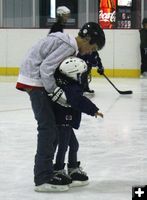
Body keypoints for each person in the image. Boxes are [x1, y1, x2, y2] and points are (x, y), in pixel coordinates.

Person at [16, 22, 105, 192]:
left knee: (51, 128)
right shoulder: (69, 45)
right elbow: (46, 68)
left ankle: (49, 171)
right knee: (48, 128)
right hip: (35, 80)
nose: (90, 52)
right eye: (92, 48)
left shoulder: (67, 43)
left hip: (35, 79)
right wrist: (55, 91)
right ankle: (43, 177)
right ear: (87, 39)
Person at [50, 56, 104, 188]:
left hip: (64, 121)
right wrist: (93, 110)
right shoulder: (71, 88)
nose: (84, 76)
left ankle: (72, 168)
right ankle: (58, 169)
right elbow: (79, 101)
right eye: (81, 74)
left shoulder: (63, 81)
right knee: (63, 147)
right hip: (63, 122)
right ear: (73, 73)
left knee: (73, 146)